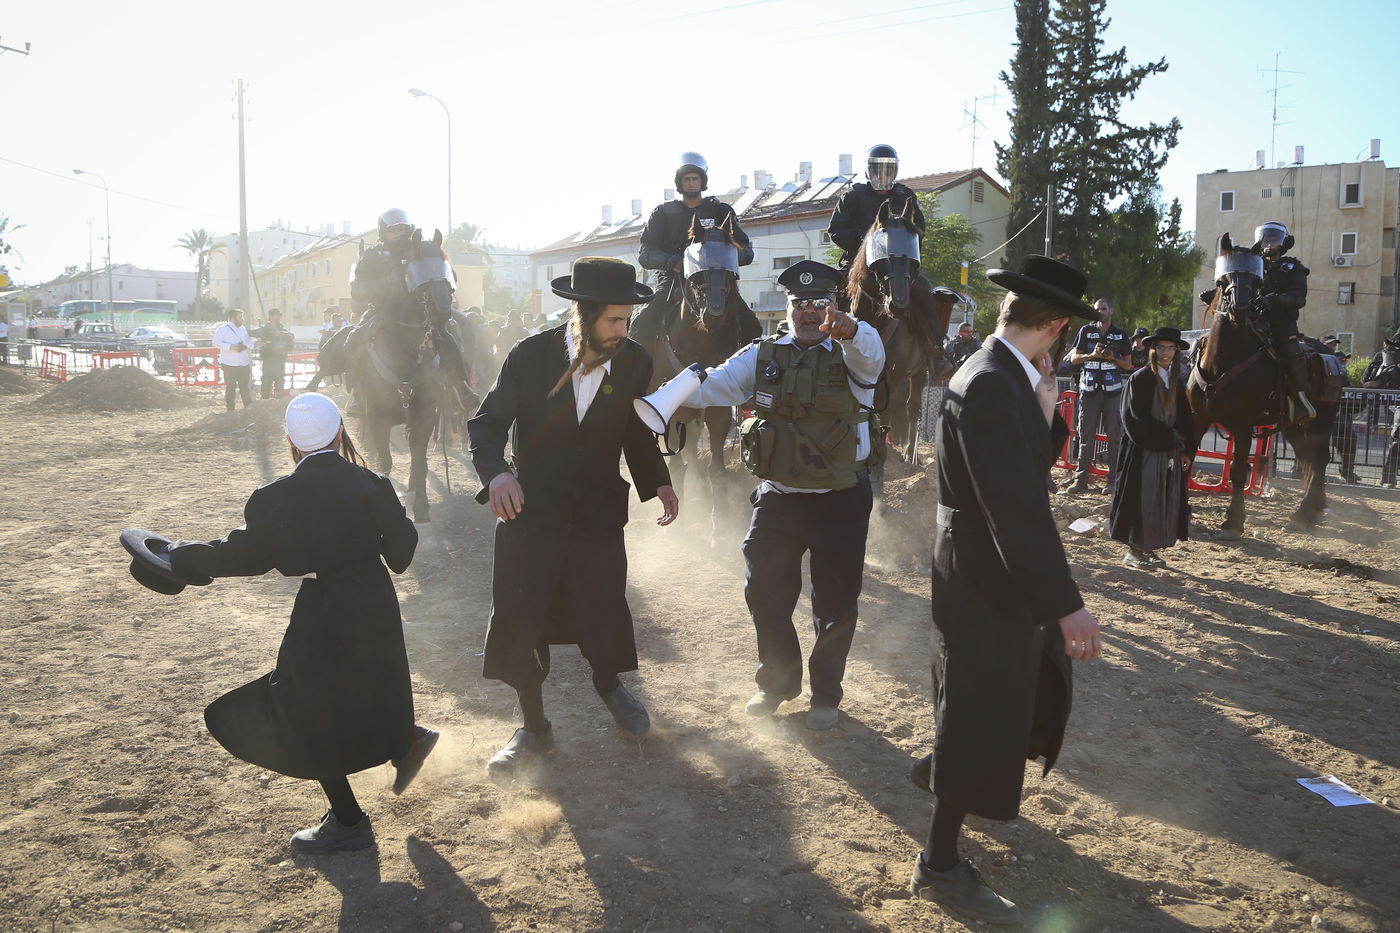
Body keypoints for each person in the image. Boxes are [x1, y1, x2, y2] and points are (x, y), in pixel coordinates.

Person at [132, 393, 439, 854]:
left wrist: (178, 555)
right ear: (340, 433)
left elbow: (245, 555)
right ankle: (408, 741)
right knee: (369, 684)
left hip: (325, 610)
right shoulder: (372, 483)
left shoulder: (277, 497)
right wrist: (392, 519)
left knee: (305, 709)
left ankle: (350, 822)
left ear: (291, 442)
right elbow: (400, 556)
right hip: (375, 604)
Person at [910, 255, 1102, 925]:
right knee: (982, 708)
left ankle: (942, 764)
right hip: (986, 574)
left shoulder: (999, 372)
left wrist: (1046, 412)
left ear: (1006, 310)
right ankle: (938, 863)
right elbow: (1015, 509)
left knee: (995, 698)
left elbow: (1014, 472)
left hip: (981, 565)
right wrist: (1067, 605)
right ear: (1056, 326)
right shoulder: (992, 381)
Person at [467, 256, 678, 780]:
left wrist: (657, 480)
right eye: (614, 320)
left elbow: (635, 431)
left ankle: (609, 684)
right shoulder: (530, 355)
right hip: (530, 512)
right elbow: (486, 425)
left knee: (601, 607)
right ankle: (533, 728)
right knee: (524, 618)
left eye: (628, 320)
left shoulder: (634, 362)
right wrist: (498, 476)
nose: (623, 331)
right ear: (582, 315)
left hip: (597, 513)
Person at [665, 260, 884, 730]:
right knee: (764, 591)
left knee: (835, 604)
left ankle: (825, 694)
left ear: (835, 306)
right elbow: (715, 384)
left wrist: (851, 328)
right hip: (780, 497)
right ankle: (777, 683)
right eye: (799, 303)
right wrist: (662, 395)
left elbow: (871, 354)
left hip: (841, 497)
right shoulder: (762, 354)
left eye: (819, 303)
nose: (809, 312)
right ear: (787, 307)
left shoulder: (853, 352)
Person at [630, 152, 758, 352]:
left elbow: (745, 250)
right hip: (673, 280)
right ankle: (641, 366)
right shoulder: (662, 213)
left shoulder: (721, 211)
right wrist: (669, 261)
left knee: (752, 324)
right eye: (687, 179)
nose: (691, 183)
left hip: (716, 281)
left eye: (695, 178)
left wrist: (728, 257)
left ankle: (752, 365)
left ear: (702, 181)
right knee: (641, 323)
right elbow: (645, 253)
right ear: (679, 182)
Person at [1109, 327, 1196, 569]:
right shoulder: (1141, 379)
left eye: (1170, 348)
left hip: (1169, 450)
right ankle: (1134, 550)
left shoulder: (1176, 381)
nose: (1165, 352)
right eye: (1160, 347)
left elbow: (1185, 419)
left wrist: (1185, 449)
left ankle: (1149, 548)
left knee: (1164, 499)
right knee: (1144, 498)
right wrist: (1167, 437)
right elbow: (1134, 419)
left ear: (1176, 351)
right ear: (1153, 350)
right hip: (1143, 451)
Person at [1063, 298, 1131, 495]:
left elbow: (1128, 364)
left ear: (1111, 311)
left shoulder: (1120, 334)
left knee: (1113, 437)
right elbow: (1074, 359)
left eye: (1103, 308)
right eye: (1097, 309)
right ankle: (1081, 479)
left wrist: (1112, 358)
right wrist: (1092, 355)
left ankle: (1113, 481)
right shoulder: (1086, 331)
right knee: (1085, 436)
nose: (1100, 312)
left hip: (1112, 392)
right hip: (1089, 391)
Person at [1251, 221, 1316, 422]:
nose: (1269, 243)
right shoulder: (1252, 265)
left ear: (1284, 243)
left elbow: (1299, 298)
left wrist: (1273, 299)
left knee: (1290, 349)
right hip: (1254, 320)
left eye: (1274, 239)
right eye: (1265, 239)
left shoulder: (1294, 268)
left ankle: (1302, 399)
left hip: (1281, 323)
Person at [827, 144, 926, 273]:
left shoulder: (906, 196)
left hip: (900, 262)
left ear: (894, 173)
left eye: (887, 172)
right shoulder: (853, 196)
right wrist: (867, 239)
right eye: (877, 172)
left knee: (924, 285)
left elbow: (919, 230)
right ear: (869, 172)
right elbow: (836, 231)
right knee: (842, 284)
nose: (881, 176)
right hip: (859, 260)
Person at [1321, 334, 1361, 483]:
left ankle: (1347, 472)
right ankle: (1302, 470)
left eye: (1334, 344)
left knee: (1349, 438)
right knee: (1315, 440)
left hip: (1339, 412)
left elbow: (1347, 387)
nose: (1333, 347)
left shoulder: (1343, 373)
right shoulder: (1319, 361)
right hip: (1322, 410)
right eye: (1330, 344)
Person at [213, 307, 254, 412]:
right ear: (232, 318)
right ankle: (230, 410)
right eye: (240, 317)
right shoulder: (223, 329)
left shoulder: (243, 329)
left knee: (244, 387)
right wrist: (230, 347)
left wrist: (254, 343)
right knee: (230, 387)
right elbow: (215, 342)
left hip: (243, 363)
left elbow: (247, 342)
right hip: (229, 364)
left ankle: (248, 409)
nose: (243, 319)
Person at [253, 308, 296, 399]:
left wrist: (281, 334)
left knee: (279, 385)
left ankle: (278, 402)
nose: (279, 318)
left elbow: (291, 340)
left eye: (279, 316)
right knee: (265, 384)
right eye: (276, 316)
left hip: (280, 361)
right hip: (268, 361)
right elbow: (251, 333)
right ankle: (264, 402)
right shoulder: (264, 330)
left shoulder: (283, 330)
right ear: (271, 317)